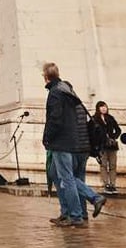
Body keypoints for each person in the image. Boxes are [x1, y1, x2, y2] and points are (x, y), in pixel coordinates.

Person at [41, 63, 106, 227]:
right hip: (76, 143)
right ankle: (74, 213)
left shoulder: (56, 93)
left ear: (46, 76)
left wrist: (47, 138)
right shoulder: (69, 94)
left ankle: (82, 209)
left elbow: (55, 119)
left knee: (67, 179)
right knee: (58, 174)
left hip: (62, 143)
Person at [93, 101, 122, 194]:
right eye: (101, 107)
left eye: (105, 107)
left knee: (113, 165)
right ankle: (106, 184)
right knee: (103, 165)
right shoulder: (94, 119)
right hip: (101, 145)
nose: (104, 108)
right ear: (98, 108)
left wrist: (113, 136)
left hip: (111, 145)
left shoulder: (110, 118)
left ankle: (113, 184)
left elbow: (118, 129)